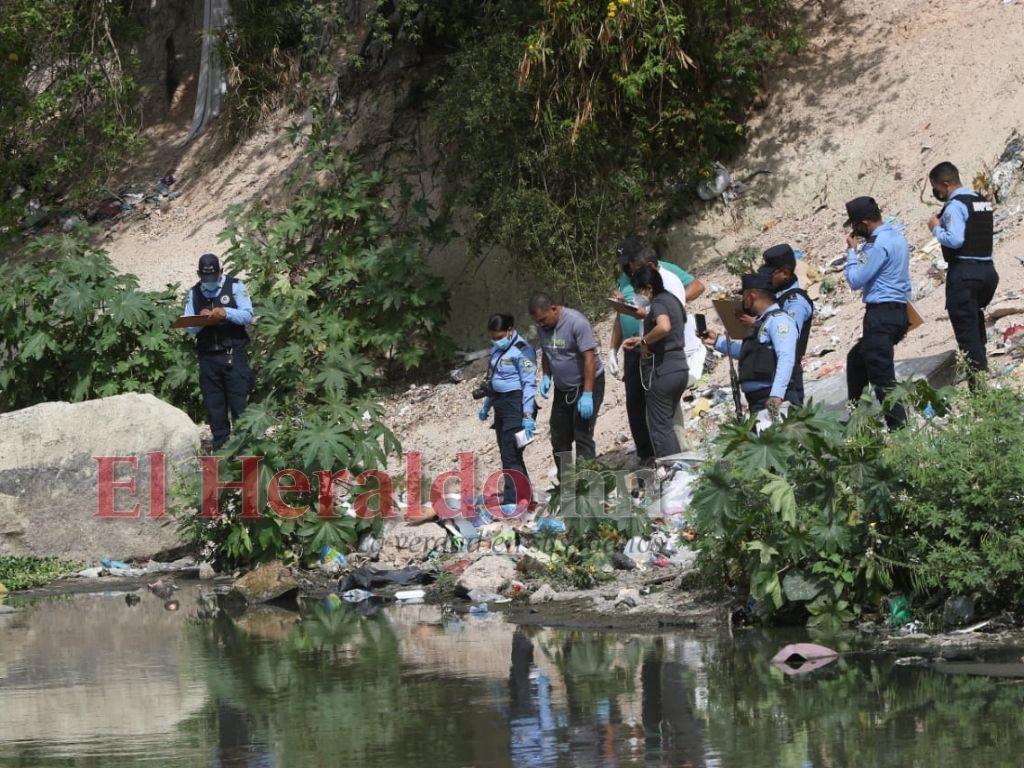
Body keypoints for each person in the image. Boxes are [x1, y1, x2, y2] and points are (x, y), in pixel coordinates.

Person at [609, 238, 705, 457]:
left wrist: (671, 305)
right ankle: (649, 454)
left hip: (660, 351)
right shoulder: (628, 280)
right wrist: (612, 349)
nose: (628, 267)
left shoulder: (664, 280)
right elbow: (631, 315)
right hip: (640, 347)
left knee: (661, 413)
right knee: (638, 404)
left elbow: (663, 323)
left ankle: (673, 459)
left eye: (631, 262)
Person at [843, 196, 911, 429]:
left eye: (855, 226)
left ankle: (900, 430)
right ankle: (859, 419)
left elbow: (856, 280)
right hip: (899, 312)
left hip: (880, 315)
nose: (854, 230)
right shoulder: (897, 236)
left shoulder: (879, 245)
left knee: (883, 381)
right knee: (857, 359)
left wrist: (852, 253)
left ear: (863, 222)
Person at [927, 161, 999, 377]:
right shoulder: (981, 201)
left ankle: (981, 392)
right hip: (987, 271)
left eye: (936, 187)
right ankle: (984, 370)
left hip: (965, 275)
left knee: (967, 337)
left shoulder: (955, 206)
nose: (936, 192)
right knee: (974, 322)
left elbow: (956, 239)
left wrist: (935, 229)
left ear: (946, 184)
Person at [183, 253, 255, 450]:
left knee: (239, 405)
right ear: (199, 274)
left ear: (221, 272)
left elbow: (248, 315)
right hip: (207, 358)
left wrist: (225, 312)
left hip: (233, 354)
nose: (209, 281)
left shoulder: (236, 286)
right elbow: (188, 326)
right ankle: (221, 450)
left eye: (212, 277)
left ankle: (246, 450)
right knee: (214, 407)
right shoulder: (194, 293)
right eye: (205, 278)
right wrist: (201, 319)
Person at [530, 293, 605, 480]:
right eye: (538, 322)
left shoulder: (576, 322)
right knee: (559, 437)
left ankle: (587, 484)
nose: (542, 324)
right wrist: (546, 375)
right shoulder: (543, 326)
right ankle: (568, 485)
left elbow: (589, 359)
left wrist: (587, 394)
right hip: (563, 389)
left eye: (544, 319)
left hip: (587, 385)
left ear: (554, 309)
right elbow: (547, 352)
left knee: (582, 436)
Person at [701, 272, 797, 415]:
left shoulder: (779, 320)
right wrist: (717, 341)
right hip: (757, 400)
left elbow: (786, 357)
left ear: (752, 296)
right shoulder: (761, 322)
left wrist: (776, 395)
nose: (743, 302)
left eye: (744, 297)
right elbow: (751, 354)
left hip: (771, 398)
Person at [620, 267, 689, 458]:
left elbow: (664, 326)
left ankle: (673, 470)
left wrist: (643, 341)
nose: (638, 295)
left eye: (639, 291)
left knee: (659, 427)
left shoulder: (658, 303)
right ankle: (680, 466)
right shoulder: (672, 300)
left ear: (649, 288)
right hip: (680, 367)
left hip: (664, 369)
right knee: (667, 423)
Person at [478, 314, 538, 511]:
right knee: (506, 453)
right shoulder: (497, 350)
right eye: (493, 337)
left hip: (517, 405)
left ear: (510, 330)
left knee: (511, 452)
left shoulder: (523, 351)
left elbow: (529, 384)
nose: (496, 340)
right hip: (501, 405)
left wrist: (527, 415)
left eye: (500, 336)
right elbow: (494, 382)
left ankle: (514, 500)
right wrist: (487, 406)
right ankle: (524, 497)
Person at [758, 243, 815, 405]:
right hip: (773, 374)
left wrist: (778, 392)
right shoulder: (777, 299)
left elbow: (788, 343)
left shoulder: (795, 303)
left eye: (771, 273)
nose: (767, 278)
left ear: (785, 274)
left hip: (787, 378)